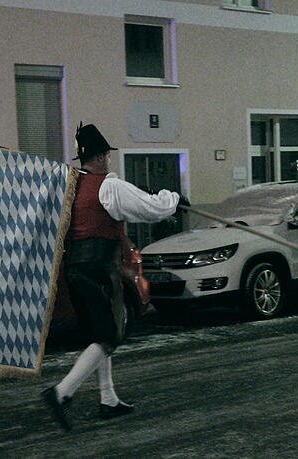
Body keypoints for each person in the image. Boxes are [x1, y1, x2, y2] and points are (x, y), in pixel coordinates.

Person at [41, 123, 187, 431]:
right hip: (98, 270)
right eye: (107, 155)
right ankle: (61, 392)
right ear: (101, 156)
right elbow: (150, 209)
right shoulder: (108, 185)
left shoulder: (72, 186)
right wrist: (174, 200)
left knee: (99, 333)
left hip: (74, 270)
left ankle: (108, 399)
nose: (109, 159)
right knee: (109, 336)